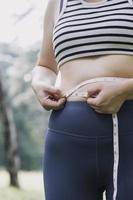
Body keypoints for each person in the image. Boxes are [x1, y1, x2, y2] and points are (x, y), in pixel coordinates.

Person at [31, 0, 133, 199]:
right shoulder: (58, 4)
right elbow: (45, 65)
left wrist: (125, 89)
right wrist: (39, 82)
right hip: (67, 139)